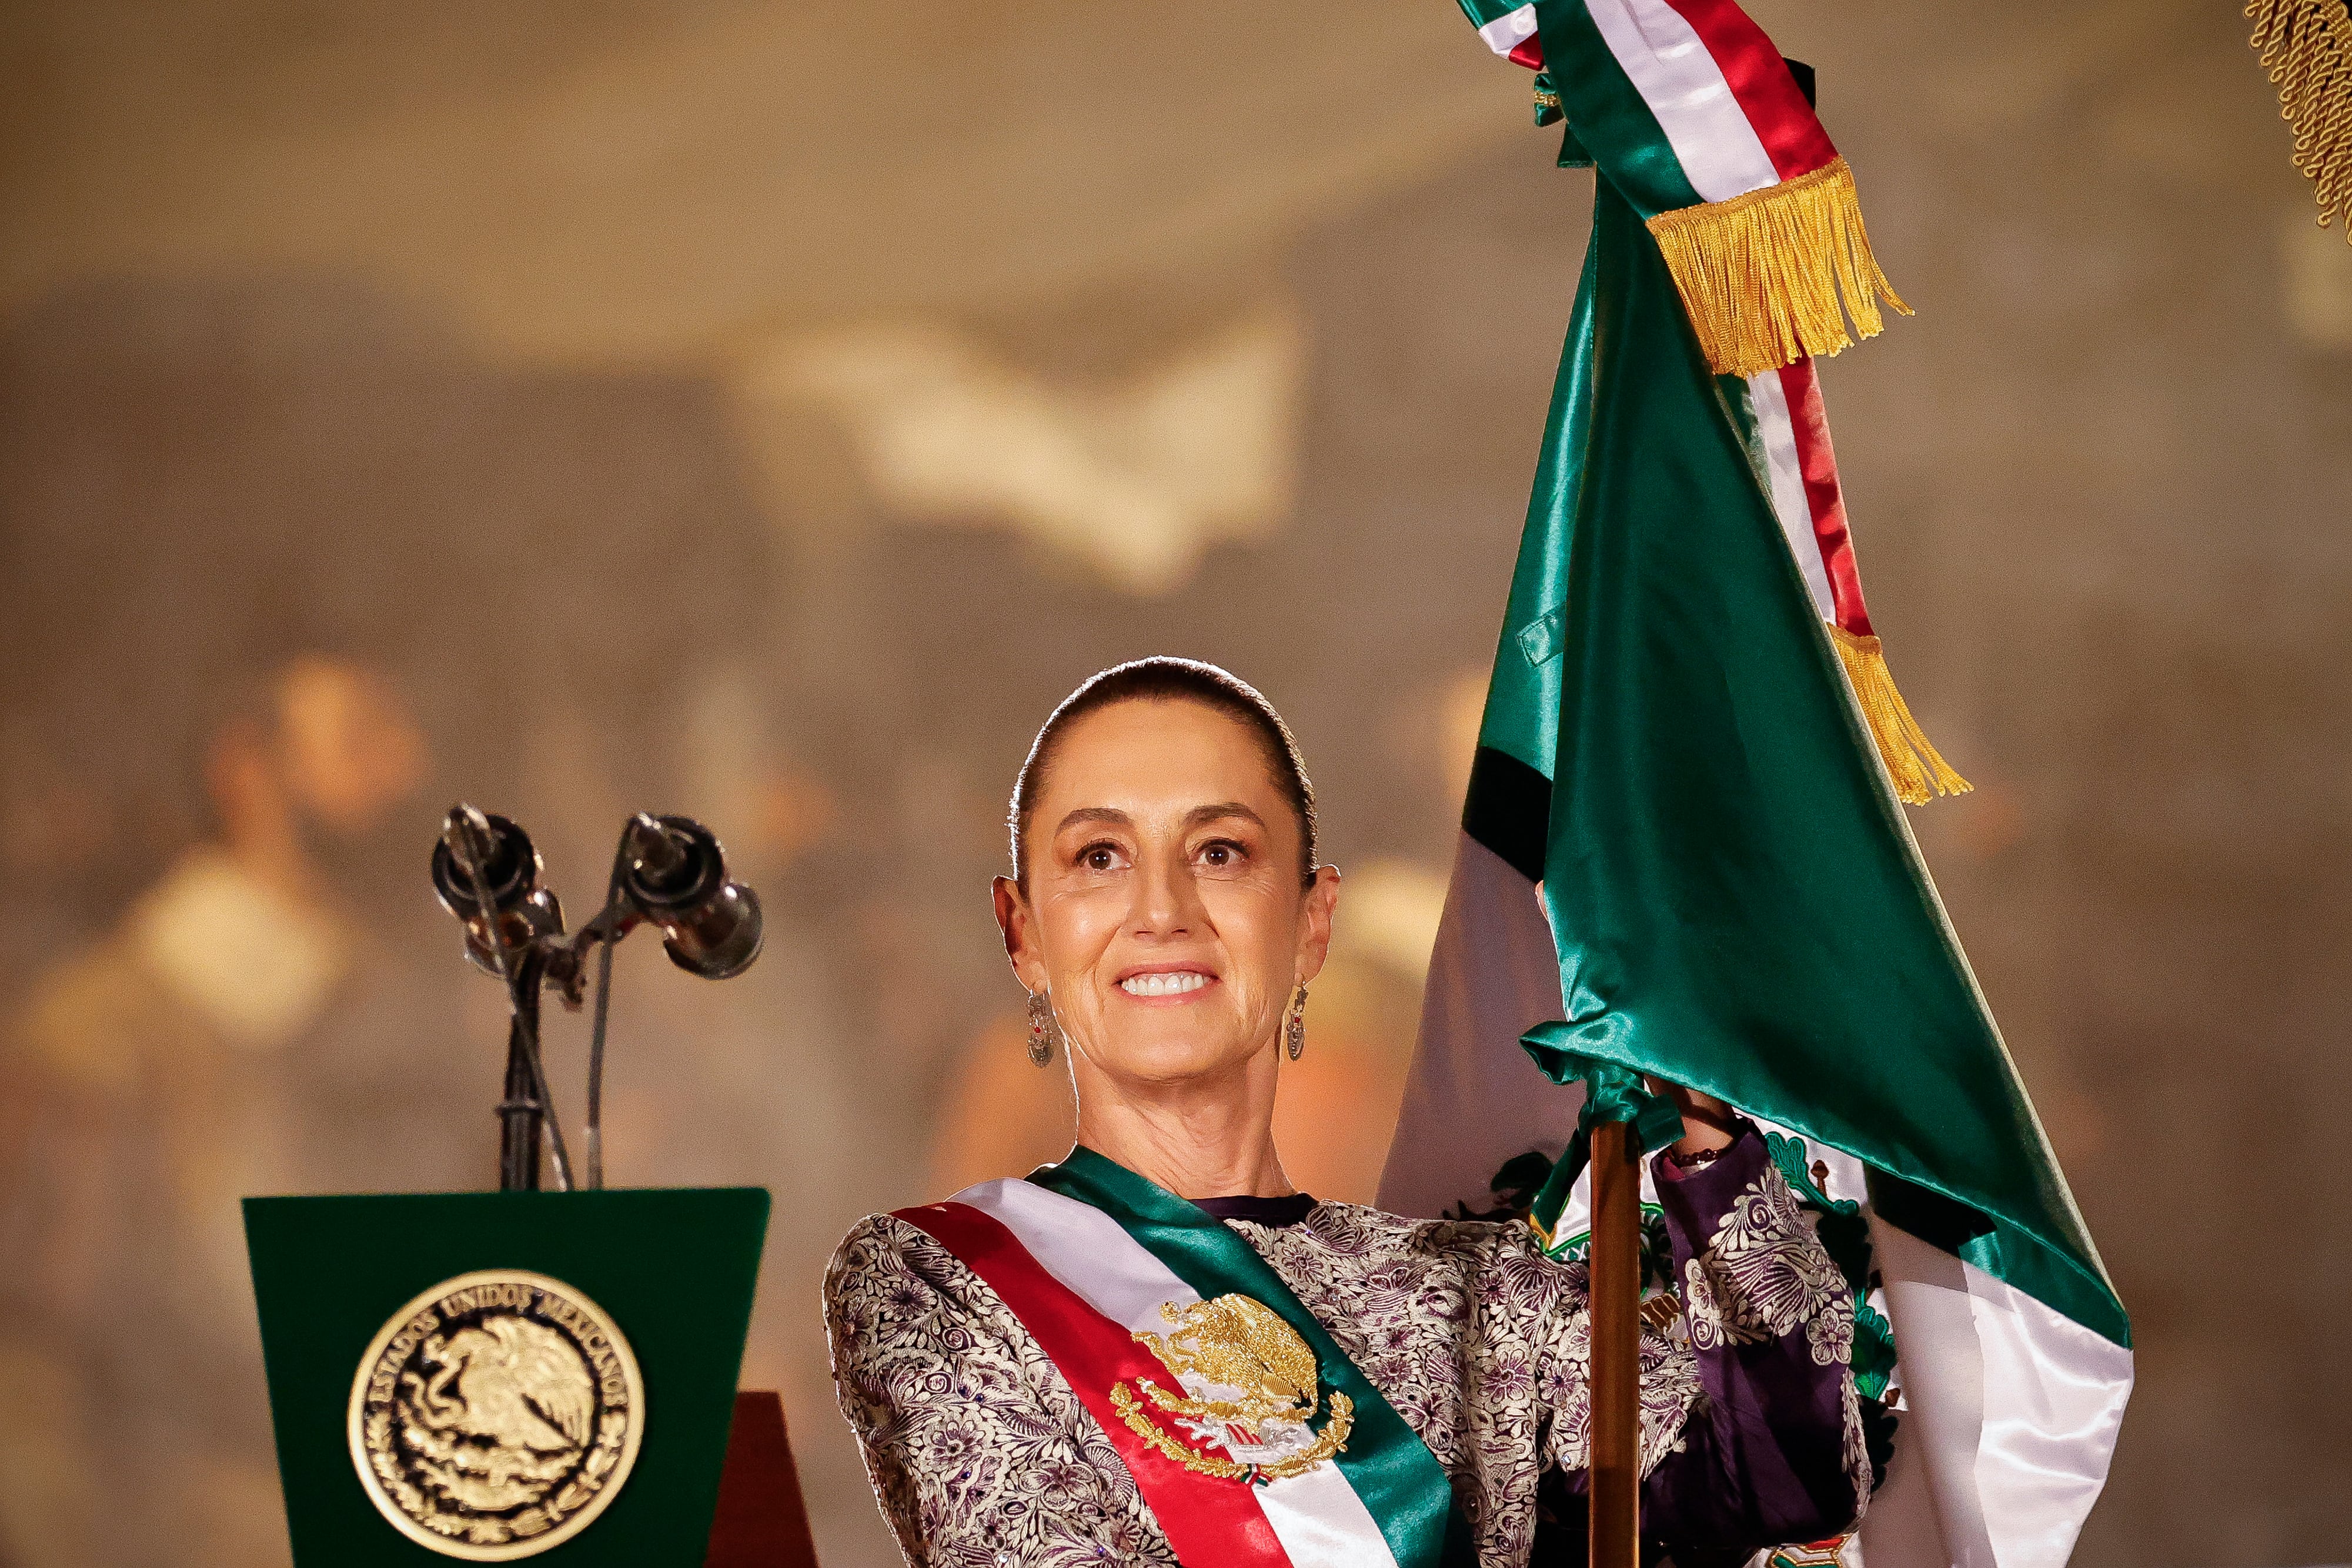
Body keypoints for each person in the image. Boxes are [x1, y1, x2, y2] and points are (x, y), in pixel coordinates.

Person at [824, 658, 1865, 1567]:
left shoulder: (1486, 1294)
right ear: (1023, 936)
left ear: (1315, 922)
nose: (1161, 909)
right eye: (1099, 857)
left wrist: (1704, 1101)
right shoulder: (939, 1280)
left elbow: (1785, 1481)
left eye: (1221, 852)